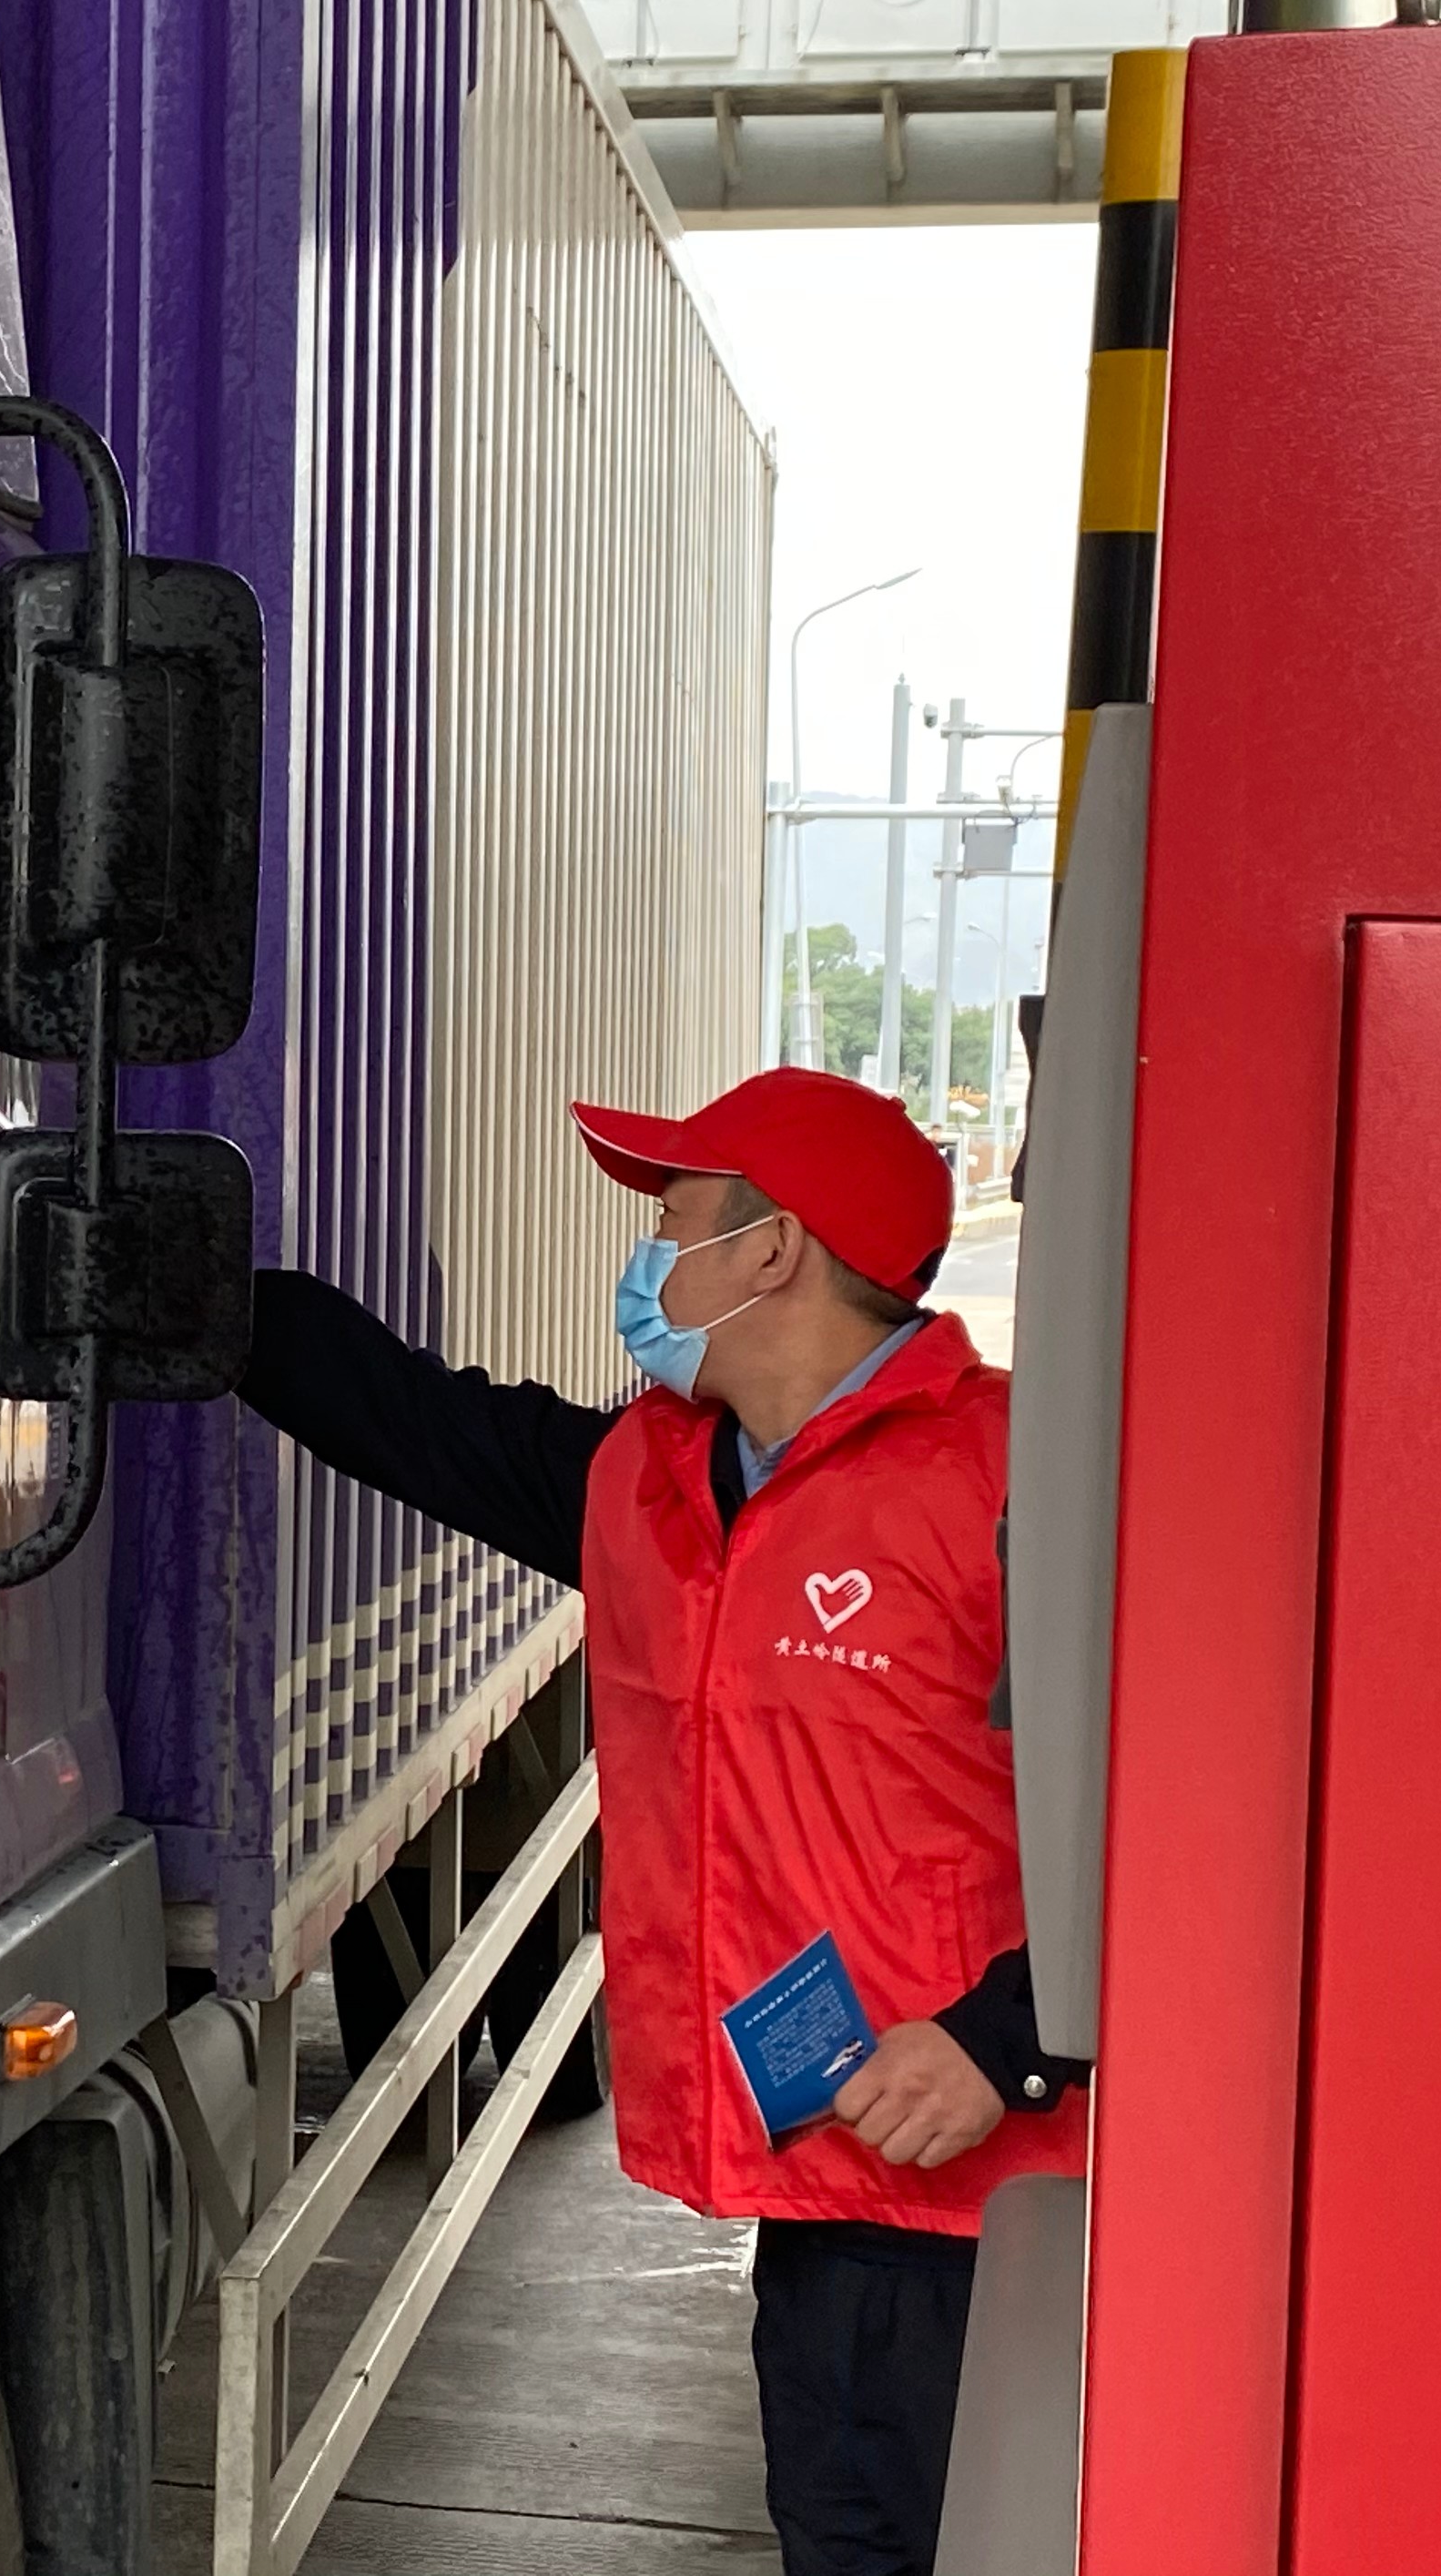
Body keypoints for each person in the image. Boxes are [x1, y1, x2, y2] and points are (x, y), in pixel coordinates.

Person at [236, 1066, 1086, 2576]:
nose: (651, 1262)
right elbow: (415, 1420)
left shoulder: (1015, 1482)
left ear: (773, 1250)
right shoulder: (655, 1478)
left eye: (677, 1222)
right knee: (839, 2537)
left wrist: (1008, 2039)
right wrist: (215, 1305)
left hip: (995, 2202)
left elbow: (1183, 1813)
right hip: (819, 2174)